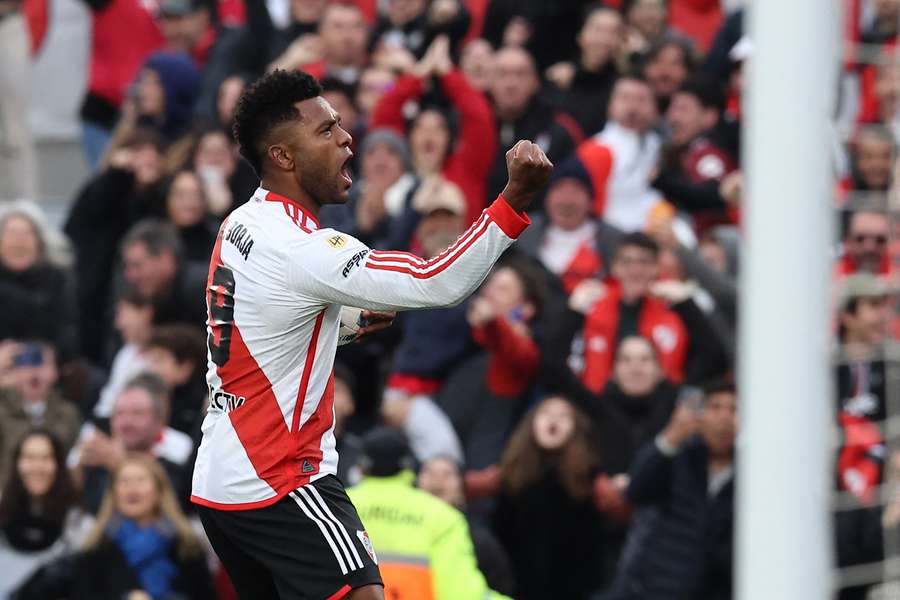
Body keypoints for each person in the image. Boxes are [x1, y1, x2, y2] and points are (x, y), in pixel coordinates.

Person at [191, 69, 551, 600]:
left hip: (220, 479)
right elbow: (437, 282)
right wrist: (514, 199)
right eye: (325, 130)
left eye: (340, 123)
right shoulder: (305, 248)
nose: (346, 138)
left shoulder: (241, 223)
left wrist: (344, 322)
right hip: (282, 478)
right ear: (283, 158)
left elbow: (261, 330)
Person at [604, 381, 737, 600]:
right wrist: (672, 435)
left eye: (733, 409)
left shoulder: (755, 476)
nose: (724, 418)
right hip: (652, 589)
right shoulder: (677, 456)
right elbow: (636, 491)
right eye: (715, 407)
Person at [347, 428, 511, 600]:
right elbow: (460, 593)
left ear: (361, 467)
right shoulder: (442, 516)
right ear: (409, 466)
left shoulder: (337, 506)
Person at [492, 396, 603, 600]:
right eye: (546, 414)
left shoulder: (589, 479)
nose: (554, 420)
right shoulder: (510, 476)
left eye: (563, 416)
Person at [69, 454, 214, 599]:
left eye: (141, 480)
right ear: (113, 493)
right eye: (125, 482)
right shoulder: (97, 545)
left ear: (159, 491)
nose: (132, 489)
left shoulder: (186, 544)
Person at [72, 373, 193, 513]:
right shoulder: (99, 457)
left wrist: (121, 465)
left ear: (160, 420)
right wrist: (78, 471)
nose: (126, 422)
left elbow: (178, 505)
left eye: (138, 413)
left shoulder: (178, 458)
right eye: (119, 413)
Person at [0, 429, 92, 598]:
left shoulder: (78, 523)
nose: (37, 467)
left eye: (46, 458)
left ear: (58, 464)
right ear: (17, 463)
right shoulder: (2, 509)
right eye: (29, 458)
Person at [486, 46, 582, 203]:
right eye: (502, 74)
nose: (510, 84)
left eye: (520, 74)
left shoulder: (558, 129)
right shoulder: (471, 126)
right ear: (489, 81)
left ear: (535, 81)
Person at [417, 455, 517, 597]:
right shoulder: (401, 531)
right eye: (429, 472)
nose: (437, 479)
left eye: (447, 474)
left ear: (461, 490)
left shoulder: (479, 539)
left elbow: (501, 586)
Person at [575, 74, 664, 231]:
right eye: (625, 98)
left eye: (641, 99)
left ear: (654, 108)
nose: (633, 107)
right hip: (611, 230)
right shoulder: (597, 148)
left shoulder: (658, 145)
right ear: (610, 105)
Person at [835, 274, 894, 503]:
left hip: (882, 487)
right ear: (848, 316)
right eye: (873, 306)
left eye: (884, 307)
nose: (883, 316)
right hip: (834, 488)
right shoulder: (822, 370)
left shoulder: (893, 367)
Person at [651, 76, 737, 228]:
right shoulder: (679, 152)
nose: (673, 117)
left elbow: (713, 193)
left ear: (709, 116)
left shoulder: (708, 153)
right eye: (672, 108)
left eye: (683, 109)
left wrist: (661, 181)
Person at [0, 203, 79, 360]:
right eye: (11, 234)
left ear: (39, 242)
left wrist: (49, 354)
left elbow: (69, 334)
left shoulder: (58, 282)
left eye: (26, 234)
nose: (18, 242)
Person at [0, 342, 81, 481]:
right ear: (15, 371)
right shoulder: (2, 410)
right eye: (27, 362)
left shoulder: (68, 413)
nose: (34, 370)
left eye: (40, 362)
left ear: (55, 372)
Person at [120, 219, 209, 329]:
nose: (130, 275)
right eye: (127, 267)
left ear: (166, 258)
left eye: (137, 265)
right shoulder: (150, 299)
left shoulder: (204, 290)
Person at [836, 209, 893, 278]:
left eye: (879, 240)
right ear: (847, 242)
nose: (869, 248)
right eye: (860, 239)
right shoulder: (826, 280)